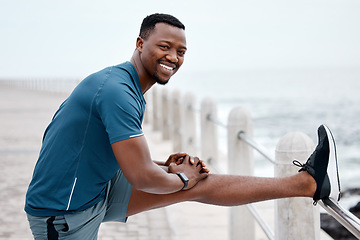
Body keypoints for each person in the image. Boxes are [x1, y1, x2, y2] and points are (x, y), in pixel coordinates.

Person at [25, 13, 341, 239]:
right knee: (189, 182)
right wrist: (180, 177)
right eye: (165, 46)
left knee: (201, 182)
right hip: (63, 215)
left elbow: (106, 152)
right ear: (140, 43)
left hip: (93, 191)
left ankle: (306, 184)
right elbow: (141, 177)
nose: (173, 57)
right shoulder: (116, 92)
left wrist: (168, 167)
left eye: (181, 51)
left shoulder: (128, 87)